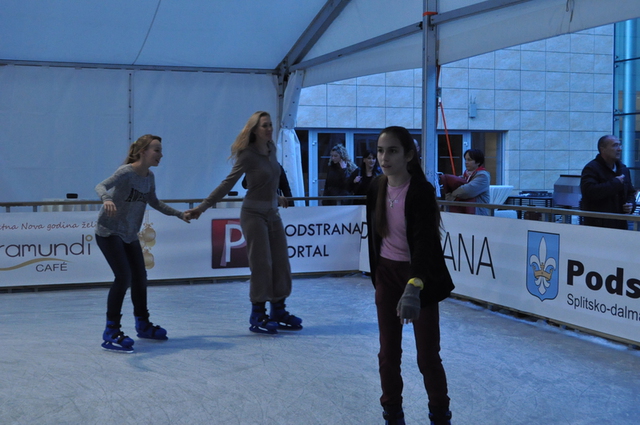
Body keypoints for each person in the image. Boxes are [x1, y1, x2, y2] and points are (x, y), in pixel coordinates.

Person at [366, 126, 454, 425]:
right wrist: (379, 278)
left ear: (408, 155)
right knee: (388, 353)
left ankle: (440, 414)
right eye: (381, 151)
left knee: (427, 356)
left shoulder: (420, 190)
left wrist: (414, 286)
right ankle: (392, 413)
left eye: (392, 151)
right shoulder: (376, 187)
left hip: (418, 275)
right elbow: (375, 236)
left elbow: (424, 242)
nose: (384, 158)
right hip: (386, 274)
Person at [186, 111, 302, 334]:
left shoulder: (272, 149)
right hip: (253, 214)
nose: (269, 129)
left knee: (281, 262)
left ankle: (278, 309)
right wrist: (202, 207)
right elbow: (227, 184)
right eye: (264, 125)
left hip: (273, 213)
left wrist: (275, 196)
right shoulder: (248, 155)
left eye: (270, 125)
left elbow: (269, 179)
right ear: (254, 130)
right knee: (261, 264)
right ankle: (258, 313)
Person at [95, 134, 190, 353]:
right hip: (109, 231)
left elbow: (154, 202)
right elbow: (101, 186)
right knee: (123, 277)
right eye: (157, 150)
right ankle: (111, 330)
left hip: (129, 234)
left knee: (140, 277)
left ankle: (143, 324)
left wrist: (179, 214)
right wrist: (107, 199)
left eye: (161, 150)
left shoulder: (149, 177)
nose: (161, 155)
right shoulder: (126, 172)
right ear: (143, 152)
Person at [580, 135, 636, 229]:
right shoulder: (591, 168)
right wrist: (615, 183)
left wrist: (630, 205)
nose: (619, 149)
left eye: (620, 145)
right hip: (598, 226)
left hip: (620, 225)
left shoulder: (623, 169)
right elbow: (589, 192)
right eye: (615, 145)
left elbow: (630, 193)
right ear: (603, 149)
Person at [441, 149, 490, 215]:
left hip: (478, 215)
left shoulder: (483, 176)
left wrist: (452, 195)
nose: (466, 162)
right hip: (462, 213)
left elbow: (466, 191)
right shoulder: (464, 176)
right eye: (465, 159)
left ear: (478, 162)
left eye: (469, 160)